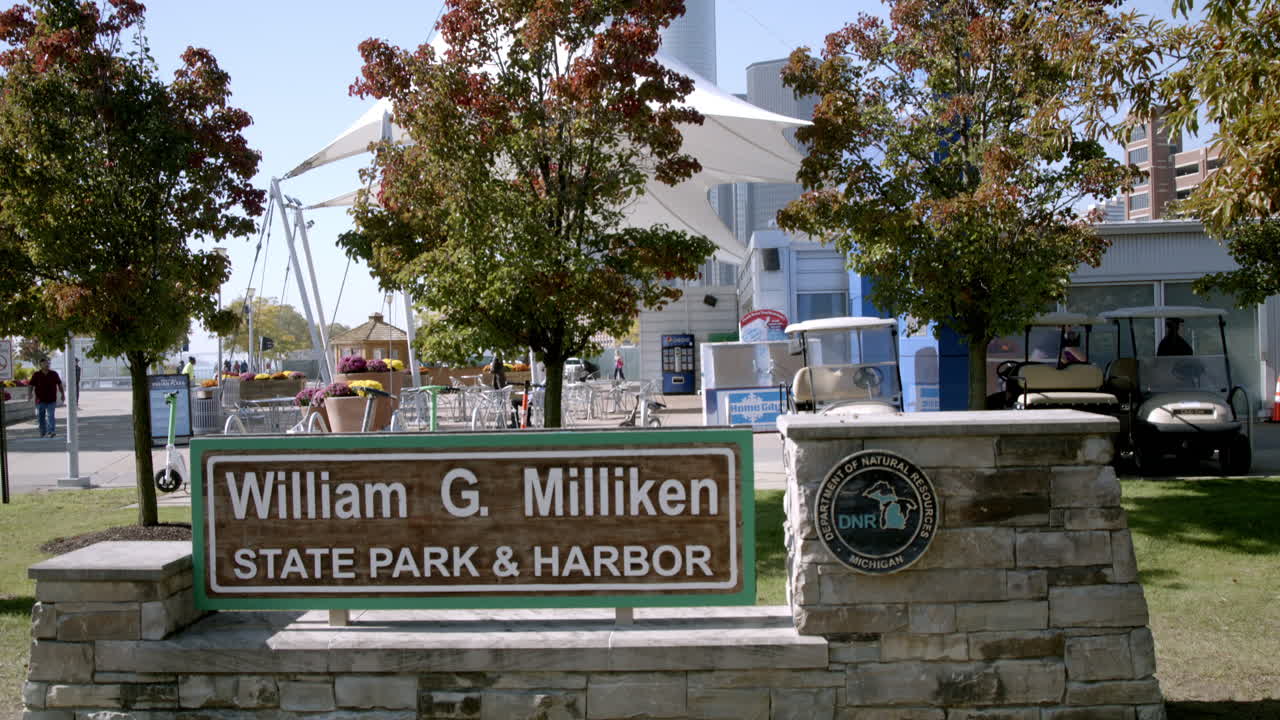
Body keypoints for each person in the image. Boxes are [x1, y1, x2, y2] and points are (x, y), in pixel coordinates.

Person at [30, 357, 65, 438]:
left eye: (48, 363)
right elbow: (31, 385)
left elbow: (59, 384)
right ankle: (42, 431)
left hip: (51, 399)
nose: (47, 365)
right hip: (40, 400)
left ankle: (51, 431)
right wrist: (29, 394)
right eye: (45, 363)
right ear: (41, 365)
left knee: (50, 415)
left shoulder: (54, 374)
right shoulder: (36, 375)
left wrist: (63, 394)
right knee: (40, 417)